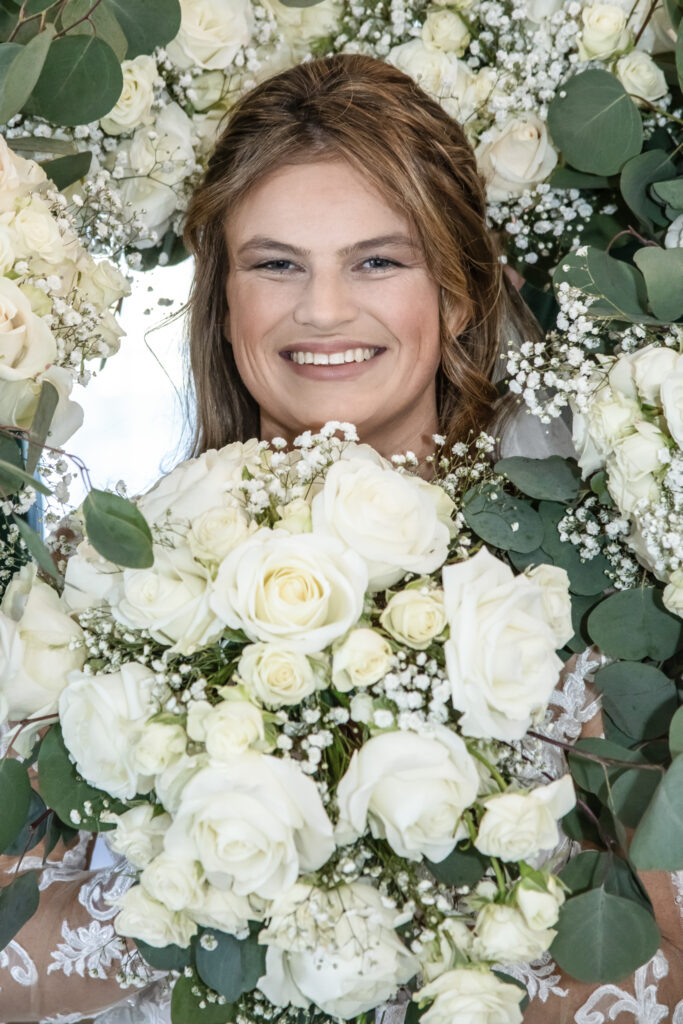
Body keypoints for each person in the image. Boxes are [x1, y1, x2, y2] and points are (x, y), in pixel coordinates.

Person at [1, 53, 681, 1023]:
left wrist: (393, 948)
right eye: (275, 264)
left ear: (456, 291)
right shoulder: (101, 573)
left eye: (377, 261)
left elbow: (666, 960)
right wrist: (226, 906)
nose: (321, 310)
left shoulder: (588, 580)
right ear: (223, 298)